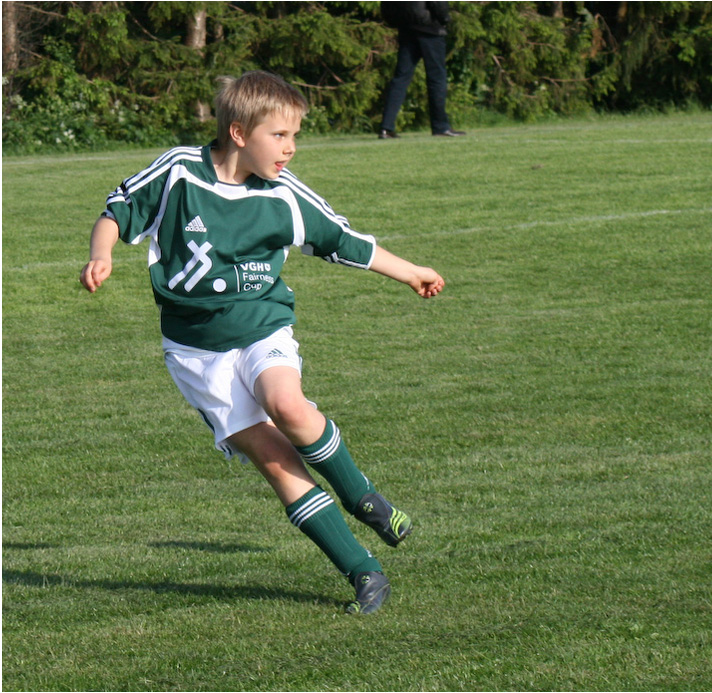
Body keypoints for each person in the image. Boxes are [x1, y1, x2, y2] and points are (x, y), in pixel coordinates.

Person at [80, 70, 445, 615]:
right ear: (238, 131)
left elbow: (342, 240)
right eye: (280, 136)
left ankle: (364, 498)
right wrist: (103, 253)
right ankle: (364, 572)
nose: (291, 149)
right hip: (195, 351)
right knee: (275, 460)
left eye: (295, 136)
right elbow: (116, 212)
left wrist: (410, 270)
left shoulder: (282, 194)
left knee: (287, 404)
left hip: (261, 324)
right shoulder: (181, 172)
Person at [378, 1, 465, 138]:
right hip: (429, 27)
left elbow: (386, 6)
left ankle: (386, 127)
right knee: (437, 78)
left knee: (401, 78)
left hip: (406, 28)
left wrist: (395, 22)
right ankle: (440, 126)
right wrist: (444, 18)